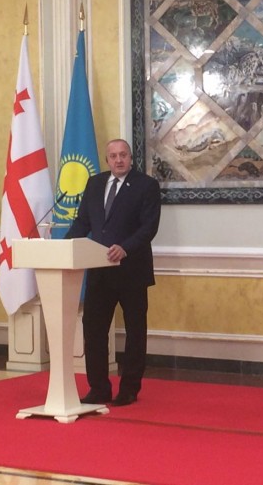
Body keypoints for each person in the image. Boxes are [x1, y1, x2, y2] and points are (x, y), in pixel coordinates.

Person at [65, 139, 161, 406]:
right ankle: (98, 388)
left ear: (131, 158)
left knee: (134, 332)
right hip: (99, 271)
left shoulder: (146, 185)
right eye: (113, 156)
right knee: (93, 331)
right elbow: (83, 222)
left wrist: (125, 248)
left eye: (123, 155)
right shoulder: (95, 183)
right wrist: (64, 246)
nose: (119, 160)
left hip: (132, 270)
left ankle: (129, 389)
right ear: (107, 160)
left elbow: (149, 227)